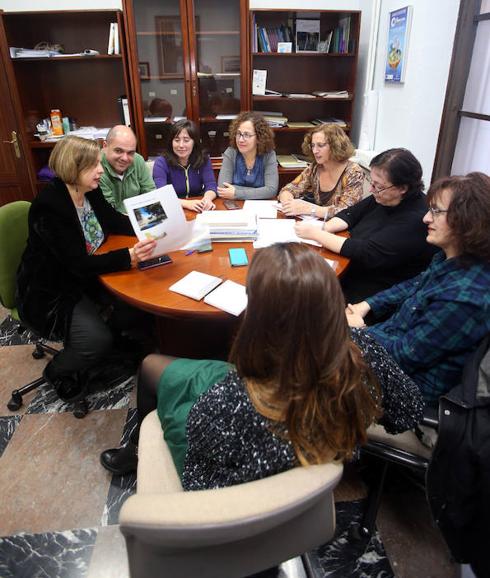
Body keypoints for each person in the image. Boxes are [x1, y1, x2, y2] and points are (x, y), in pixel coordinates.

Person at [100, 243, 423, 487]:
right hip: (313, 458)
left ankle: (138, 448)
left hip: (246, 460)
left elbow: (201, 485)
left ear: (259, 315)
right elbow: (407, 412)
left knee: (151, 365)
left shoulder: (228, 402)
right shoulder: (364, 352)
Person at [16, 136, 157, 403]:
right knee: (96, 340)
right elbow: (77, 264)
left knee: (137, 302)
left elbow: (114, 221)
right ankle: (57, 371)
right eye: (94, 165)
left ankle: (116, 340)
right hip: (52, 290)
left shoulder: (88, 191)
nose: (101, 170)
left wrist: (150, 223)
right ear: (73, 167)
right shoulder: (51, 205)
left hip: (86, 275)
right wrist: (128, 256)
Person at [346, 172, 490, 404]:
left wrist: (359, 330)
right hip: (386, 348)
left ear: (468, 219)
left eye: (436, 211)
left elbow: (403, 356)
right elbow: (413, 285)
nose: (425, 219)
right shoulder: (450, 259)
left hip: (403, 391)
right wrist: (367, 305)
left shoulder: (464, 298)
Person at [295, 148, 438, 303]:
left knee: (304, 295)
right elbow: (351, 214)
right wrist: (324, 228)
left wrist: (316, 234)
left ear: (402, 188)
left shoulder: (415, 219)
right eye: (372, 182)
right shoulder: (385, 196)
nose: (371, 189)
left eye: (378, 186)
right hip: (351, 269)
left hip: (373, 291)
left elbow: (366, 252)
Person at [278, 124, 364, 219]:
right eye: (313, 145)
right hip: (319, 224)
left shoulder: (353, 172)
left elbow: (346, 211)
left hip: (343, 228)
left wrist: (308, 209)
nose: (315, 151)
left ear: (335, 146)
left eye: (320, 145)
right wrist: (288, 202)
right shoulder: (315, 167)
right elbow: (290, 188)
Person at [152, 119, 217, 212]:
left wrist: (207, 199)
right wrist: (186, 203)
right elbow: (161, 194)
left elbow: (211, 185)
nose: (181, 145)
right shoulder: (161, 163)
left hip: (198, 207)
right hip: (172, 209)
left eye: (186, 140)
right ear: (171, 142)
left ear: (194, 142)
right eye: (177, 140)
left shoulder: (204, 159)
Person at [217, 111, 278, 200]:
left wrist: (236, 192)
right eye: (239, 134)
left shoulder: (269, 155)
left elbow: (271, 190)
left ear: (259, 137)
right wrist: (260, 192)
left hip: (260, 207)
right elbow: (223, 189)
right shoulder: (231, 152)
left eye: (247, 135)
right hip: (234, 207)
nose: (241, 140)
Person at [100, 125, 155, 213]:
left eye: (130, 153)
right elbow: (108, 209)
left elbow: (150, 193)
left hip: (141, 217)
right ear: (105, 146)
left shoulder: (138, 160)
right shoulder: (96, 168)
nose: (125, 158)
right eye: (118, 151)